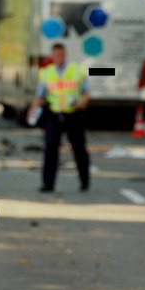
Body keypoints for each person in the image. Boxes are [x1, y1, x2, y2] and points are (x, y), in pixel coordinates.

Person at [29, 42, 90, 192]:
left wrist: (82, 103)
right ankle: (48, 184)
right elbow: (40, 96)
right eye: (56, 55)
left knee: (79, 149)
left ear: (65, 54)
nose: (59, 58)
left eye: (61, 55)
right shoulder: (46, 72)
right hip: (54, 115)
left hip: (73, 115)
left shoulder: (77, 70)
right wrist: (33, 109)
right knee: (50, 150)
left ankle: (84, 182)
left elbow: (86, 92)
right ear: (52, 56)